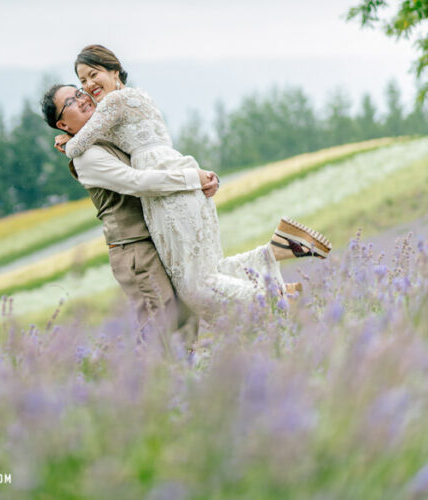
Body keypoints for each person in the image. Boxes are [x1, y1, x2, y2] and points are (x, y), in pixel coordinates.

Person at [54, 45, 328, 323]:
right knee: (211, 271)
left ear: (114, 70)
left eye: (93, 75)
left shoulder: (113, 104)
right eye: (82, 82)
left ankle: (277, 300)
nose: (88, 86)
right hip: (180, 172)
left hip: (167, 190)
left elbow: (81, 147)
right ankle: (278, 250)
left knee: (195, 288)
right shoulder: (136, 99)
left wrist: (66, 140)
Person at [41, 83, 210, 344]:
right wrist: (192, 178)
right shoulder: (86, 156)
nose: (82, 99)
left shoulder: (105, 136)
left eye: (78, 92)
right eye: (71, 102)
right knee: (164, 331)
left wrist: (205, 179)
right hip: (135, 251)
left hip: (156, 239)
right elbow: (136, 182)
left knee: (189, 321)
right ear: (62, 124)